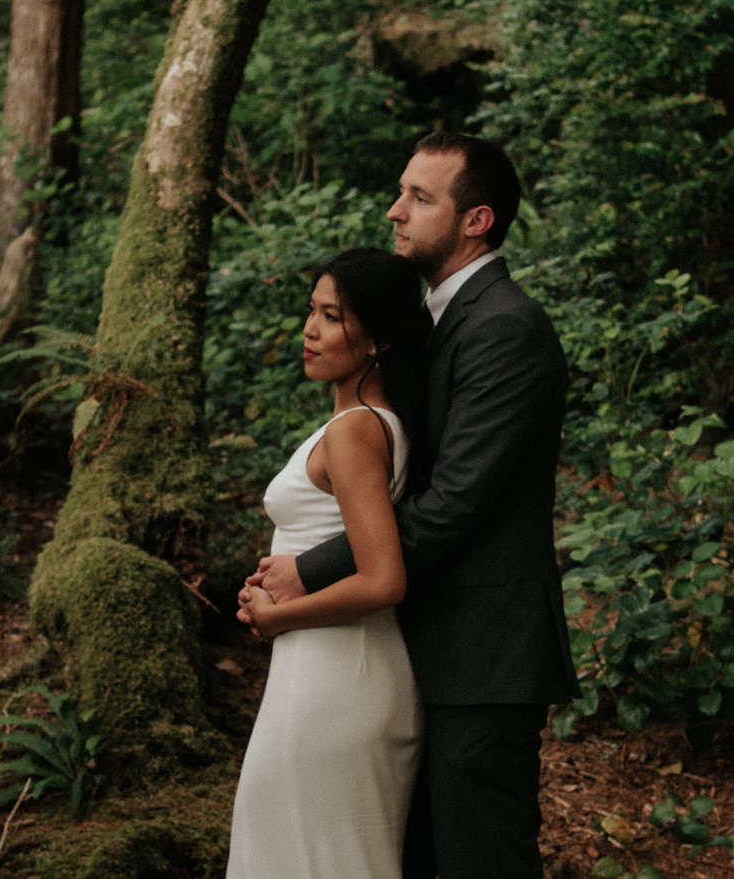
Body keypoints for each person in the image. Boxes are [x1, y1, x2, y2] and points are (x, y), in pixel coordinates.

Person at [246, 132, 577, 879]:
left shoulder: (504, 328)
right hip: (409, 647)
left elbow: (455, 500)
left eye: (420, 198)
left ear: (476, 220)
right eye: (401, 191)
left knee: (479, 861)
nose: (396, 211)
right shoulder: (430, 324)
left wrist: (315, 569)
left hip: (482, 655)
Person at [227, 247, 433, 879]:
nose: (310, 331)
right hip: (337, 670)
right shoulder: (372, 423)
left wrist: (280, 618)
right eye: (311, 312)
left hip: (335, 677)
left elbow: (384, 578)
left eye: (332, 316)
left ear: (377, 339)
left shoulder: (355, 430)